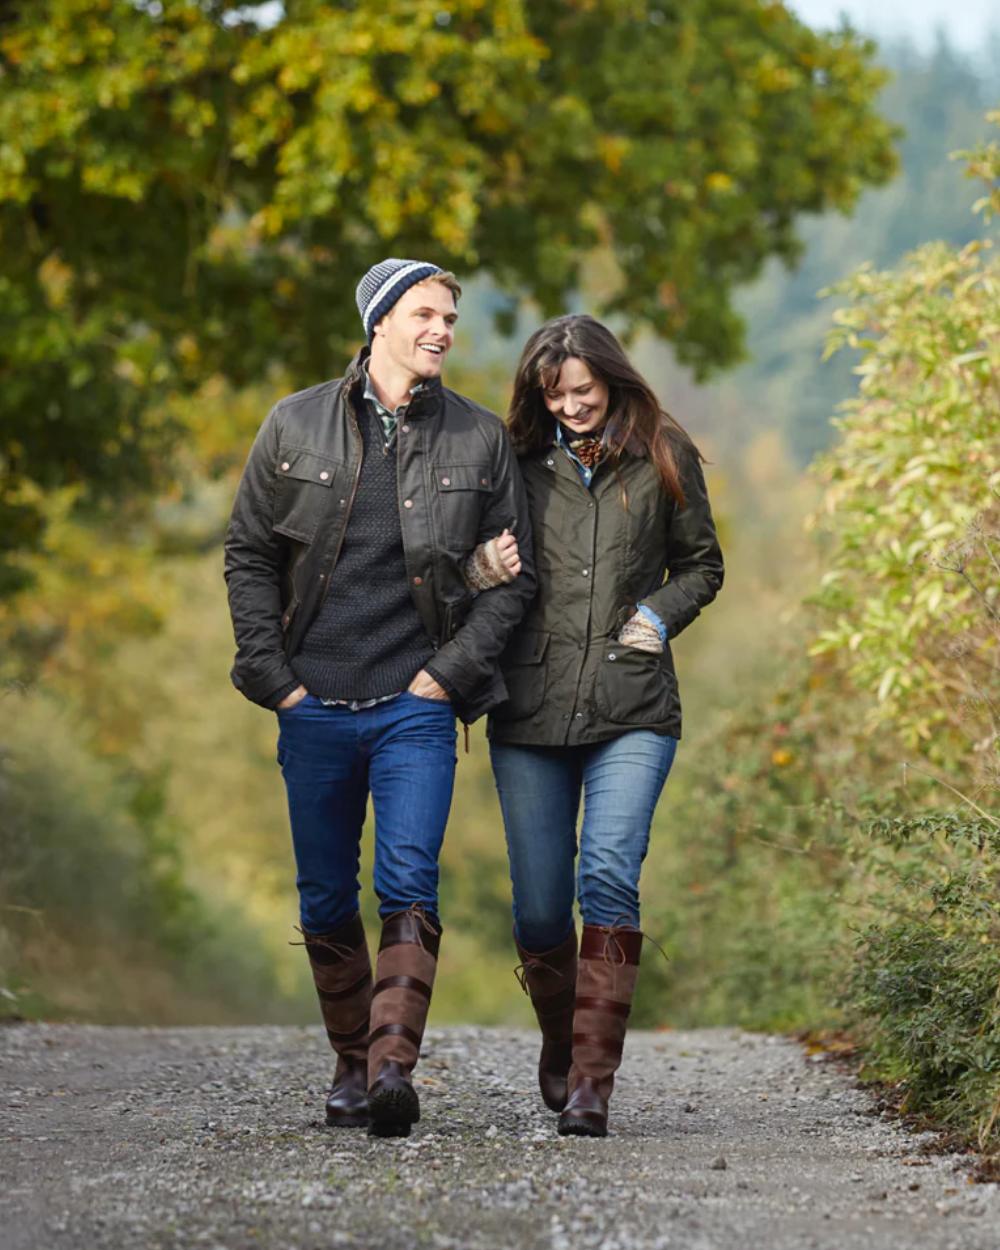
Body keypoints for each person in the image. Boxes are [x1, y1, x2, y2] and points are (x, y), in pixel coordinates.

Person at [223, 259, 534, 1138]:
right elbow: (247, 554)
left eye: (449, 319)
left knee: (408, 879)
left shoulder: (478, 440)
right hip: (312, 706)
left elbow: (514, 582)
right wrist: (275, 681)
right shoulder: (294, 425)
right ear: (380, 321)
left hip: (416, 707)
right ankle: (351, 1063)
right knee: (324, 898)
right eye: (427, 315)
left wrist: (444, 678)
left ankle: (393, 1070)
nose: (442, 330)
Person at [486, 314, 724, 1137]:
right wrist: (482, 566)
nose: (571, 406)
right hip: (530, 708)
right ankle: (560, 1037)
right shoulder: (513, 460)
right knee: (541, 911)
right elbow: (468, 558)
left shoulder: (663, 449)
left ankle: (592, 1080)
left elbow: (702, 564)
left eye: (582, 391)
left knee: (609, 876)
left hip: (633, 707)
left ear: (612, 381)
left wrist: (658, 615)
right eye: (555, 394)